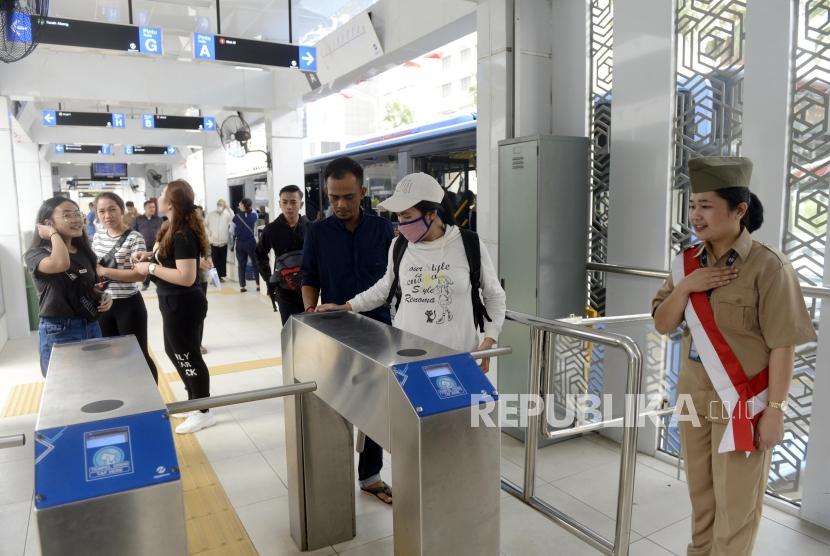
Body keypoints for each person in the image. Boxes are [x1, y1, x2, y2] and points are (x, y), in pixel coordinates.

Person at [651, 157, 816, 556]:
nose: (696, 216)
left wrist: (775, 410)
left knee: (737, 507)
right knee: (701, 499)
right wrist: (687, 286)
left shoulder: (769, 267)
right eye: (692, 205)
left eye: (706, 206)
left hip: (744, 403)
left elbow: (783, 345)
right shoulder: (685, 263)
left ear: (739, 209)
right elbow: (662, 323)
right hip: (693, 397)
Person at [317, 172, 506, 371]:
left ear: (432, 214)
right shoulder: (399, 246)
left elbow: (494, 295)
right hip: (407, 356)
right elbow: (384, 288)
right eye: (398, 216)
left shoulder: (469, 244)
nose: (401, 224)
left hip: (458, 357)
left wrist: (489, 339)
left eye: (407, 216)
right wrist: (347, 306)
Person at [301, 156, 395, 504]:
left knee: (377, 403)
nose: (340, 205)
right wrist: (310, 313)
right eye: (333, 197)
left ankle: (370, 474)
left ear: (363, 193)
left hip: (381, 330)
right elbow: (309, 276)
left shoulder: (384, 230)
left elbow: (395, 279)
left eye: (348, 197)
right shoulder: (318, 233)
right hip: (333, 330)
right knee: (335, 403)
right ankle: (332, 476)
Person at [132, 180, 215, 434]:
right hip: (171, 301)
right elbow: (169, 258)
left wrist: (151, 268)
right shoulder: (170, 227)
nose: (157, 197)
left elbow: (186, 276)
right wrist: (148, 256)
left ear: (171, 202)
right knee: (174, 351)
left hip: (184, 303)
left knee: (188, 354)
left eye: (162, 193)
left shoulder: (183, 234)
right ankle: (195, 401)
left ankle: (203, 411)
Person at [25, 197, 113, 375]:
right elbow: (61, 263)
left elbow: (90, 287)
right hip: (59, 329)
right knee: (64, 387)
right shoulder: (36, 254)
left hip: (91, 325)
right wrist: (53, 234)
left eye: (77, 214)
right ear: (48, 223)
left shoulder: (84, 252)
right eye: (67, 215)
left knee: (95, 378)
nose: (76, 219)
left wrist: (104, 296)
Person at [92, 193, 159, 381]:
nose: (107, 215)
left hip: (129, 305)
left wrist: (104, 270)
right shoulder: (97, 238)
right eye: (102, 211)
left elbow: (138, 275)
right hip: (104, 306)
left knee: (139, 355)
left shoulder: (134, 237)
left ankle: (153, 399)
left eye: (112, 209)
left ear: (121, 210)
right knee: (111, 356)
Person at [256, 185, 308, 323]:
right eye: (284, 202)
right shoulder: (271, 230)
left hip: (309, 287)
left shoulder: (310, 227)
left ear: (301, 204)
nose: (289, 206)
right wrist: (269, 279)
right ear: (279, 204)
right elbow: (259, 254)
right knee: (289, 326)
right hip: (283, 288)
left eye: (293, 202)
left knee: (309, 326)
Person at [133, 199, 163, 291]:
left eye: (154, 207)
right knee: (145, 266)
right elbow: (133, 232)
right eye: (150, 207)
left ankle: (160, 283)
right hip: (143, 248)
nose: (152, 209)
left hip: (156, 247)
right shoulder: (138, 219)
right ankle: (145, 283)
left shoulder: (159, 219)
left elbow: (163, 232)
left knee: (157, 265)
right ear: (145, 208)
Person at [233, 198, 260, 293]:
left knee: (241, 264)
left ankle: (242, 286)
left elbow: (231, 231)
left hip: (240, 243)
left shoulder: (236, 217)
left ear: (244, 205)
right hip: (251, 242)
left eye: (240, 204)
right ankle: (258, 284)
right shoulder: (254, 215)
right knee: (256, 263)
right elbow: (254, 212)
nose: (238, 205)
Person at [206, 199, 232, 281]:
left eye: (221, 205)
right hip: (213, 242)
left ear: (224, 206)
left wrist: (229, 209)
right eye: (218, 204)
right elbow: (205, 225)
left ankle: (220, 276)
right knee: (214, 261)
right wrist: (209, 235)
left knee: (222, 261)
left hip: (223, 241)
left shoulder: (227, 215)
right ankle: (214, 278)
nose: (219, 206)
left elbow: (234, 218)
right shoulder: (211, 214)